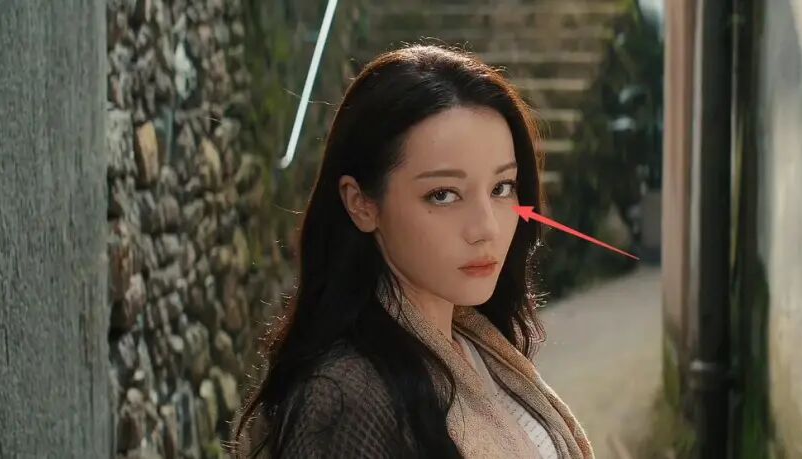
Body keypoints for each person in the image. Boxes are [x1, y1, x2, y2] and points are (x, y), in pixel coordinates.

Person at [230, 45, 593, 459]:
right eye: (443, 194)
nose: (486, 228)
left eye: (501, 188)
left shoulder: (474, 342)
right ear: (361, 204)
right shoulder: (347, 401)